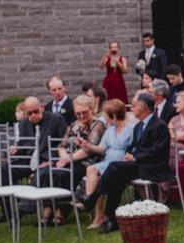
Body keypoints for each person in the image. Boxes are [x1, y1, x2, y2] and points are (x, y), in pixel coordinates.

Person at [76, 91, 170, 233]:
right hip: (139, 164)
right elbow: (133, 147)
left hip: (153, 166)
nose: (131, 109)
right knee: (116, 177)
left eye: (133, 106)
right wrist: (129, 156)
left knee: (114, 167)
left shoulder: (159, 125)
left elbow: (158, 151)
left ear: (142, 107)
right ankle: (112, 219)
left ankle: (92, 200)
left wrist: (136, 157)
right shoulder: (139, 126)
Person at [0, 97, 68, 225]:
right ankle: (7, 211)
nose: (33, 116)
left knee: (40, 173)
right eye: (29, 113)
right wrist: (16, 149)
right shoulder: (24, 124)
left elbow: (64, 144)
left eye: (36, 112)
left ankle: (22, 211)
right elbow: (24, 144)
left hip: (47, 161)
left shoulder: (55, 120)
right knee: (3, 169)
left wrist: (52, 161)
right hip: (29, 160)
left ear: (42, 107)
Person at [39, 94, 105, 225]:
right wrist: (63, 156)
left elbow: (88, 148)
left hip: (89, 162)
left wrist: (68, 159)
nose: (81, 116)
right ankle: (48, 208)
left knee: (64, 174)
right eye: (78, 113)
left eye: (85, 113)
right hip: (70, 159)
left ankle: (61, 211)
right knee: (47, 172)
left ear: (92, 109)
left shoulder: (98, 125)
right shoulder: (73, 125)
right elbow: (62, 144)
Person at [80, 98, 132, 228]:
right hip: (108, 160)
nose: (104, 119)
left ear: (113, 116)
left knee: (100, 177)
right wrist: (87, 145)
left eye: (105, 116)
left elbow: (134, 148)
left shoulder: (131, 129)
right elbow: (102, 148)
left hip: (121, 163)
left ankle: (95, 210)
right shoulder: (109, 130)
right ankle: (89, 201)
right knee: (91, 169)